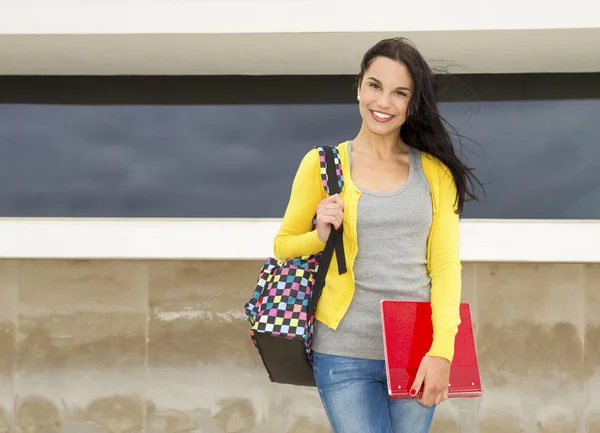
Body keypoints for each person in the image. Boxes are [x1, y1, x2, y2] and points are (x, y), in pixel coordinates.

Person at [273, 37, 483, 433]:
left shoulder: (435, 173)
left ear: (412, 102)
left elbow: (444, 266)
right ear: (358, 86)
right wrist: (319, 234)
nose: (384, 102)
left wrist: (442, 351)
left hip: (416, 349)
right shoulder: (322, 165)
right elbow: (283, 245)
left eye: (400, 92)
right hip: (342, 350)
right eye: (375, 85)